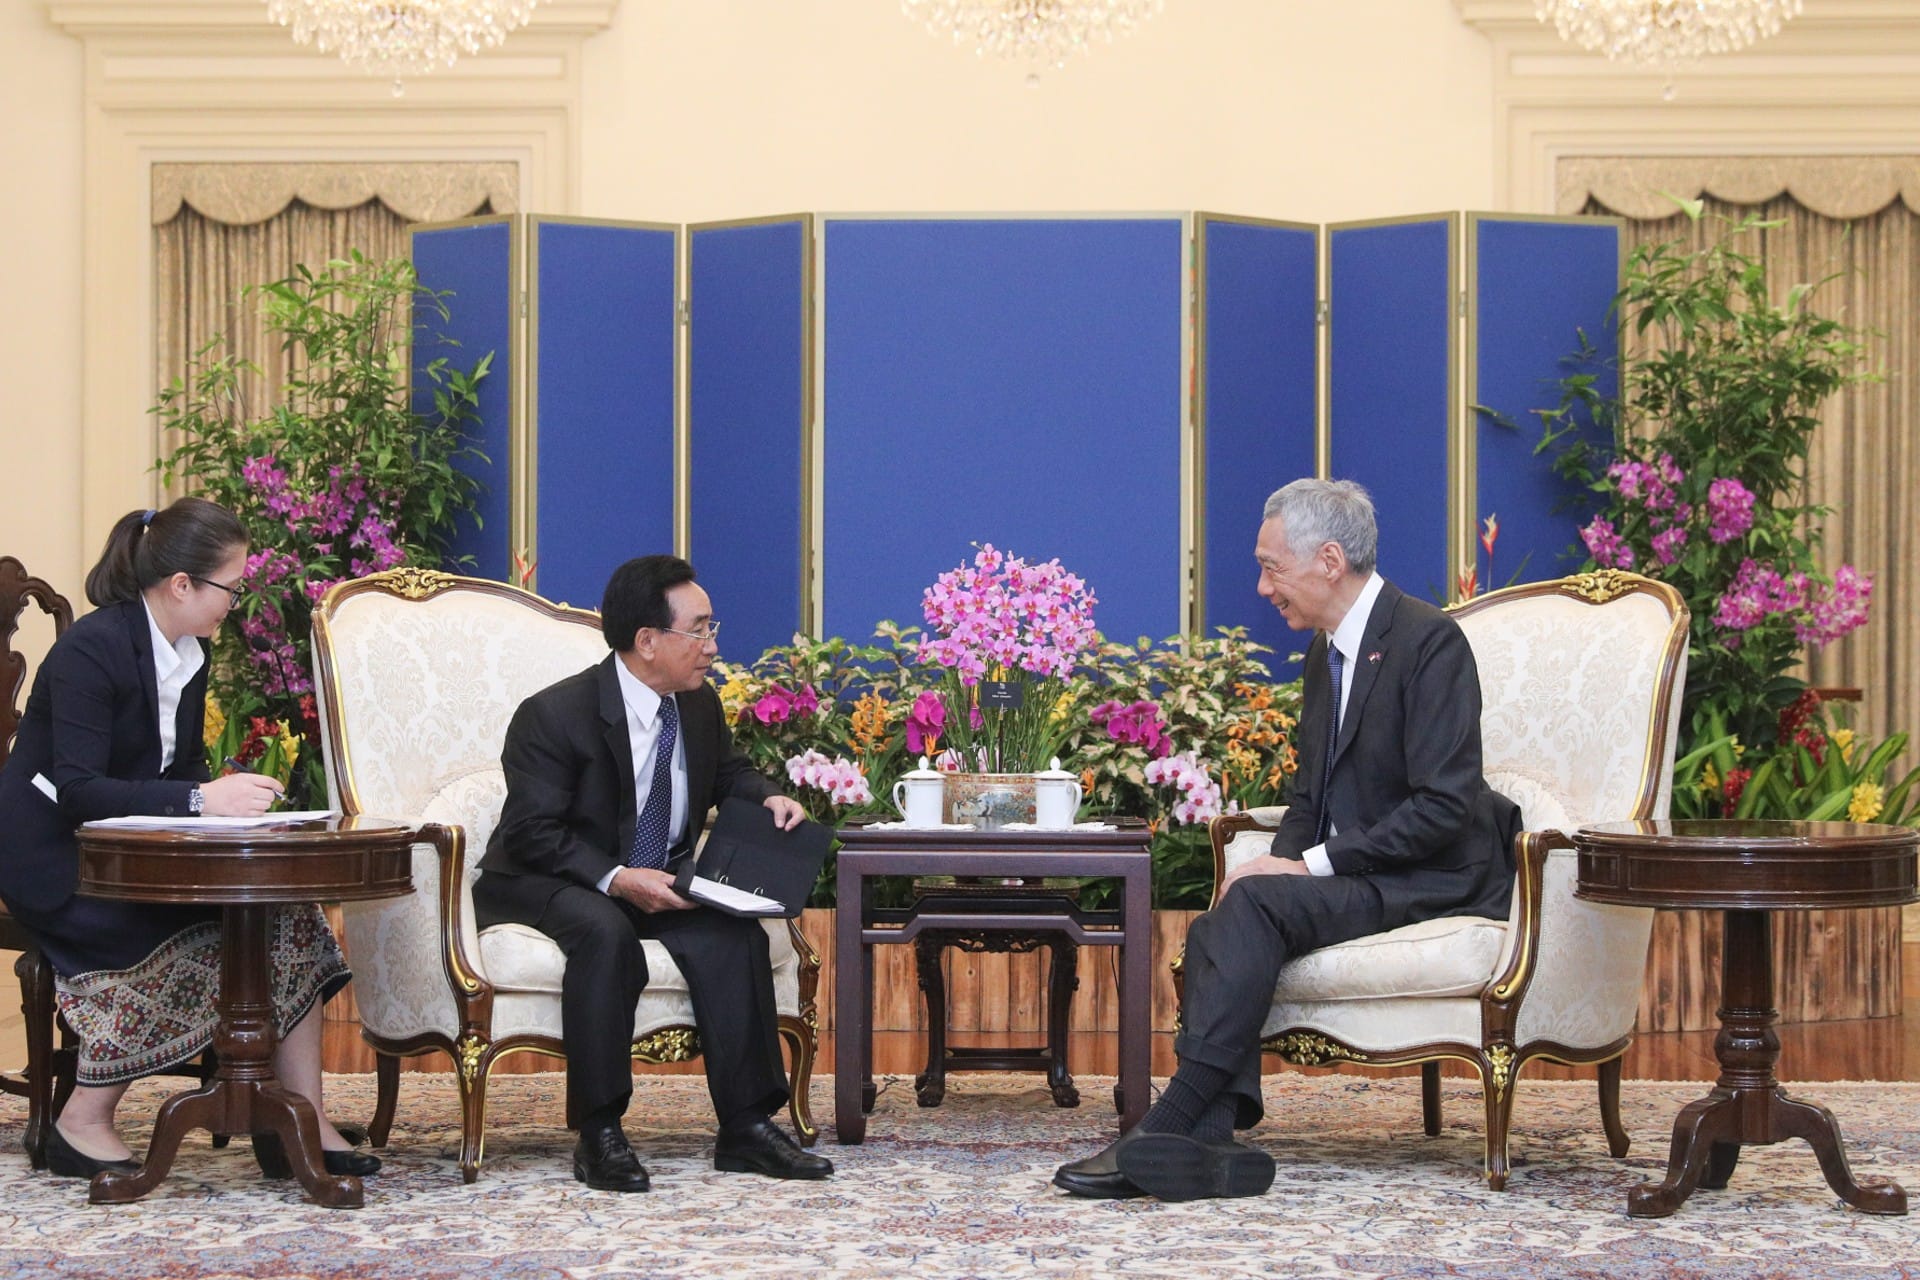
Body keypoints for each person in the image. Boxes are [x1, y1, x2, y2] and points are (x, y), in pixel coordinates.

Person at [1054, 478, 1520, 1202]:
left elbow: (1444, 807)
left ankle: (1165, 1126)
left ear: (1329, 560)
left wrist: (1310, 864)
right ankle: (1208, 1146)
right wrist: (1279, 862)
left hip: (1432, 874)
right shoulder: (1323, 655)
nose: (1263, 585)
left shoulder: (1429, 643)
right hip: (1363, 872)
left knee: (1255, 907)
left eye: (1273, 566)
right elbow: (1312, 797)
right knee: (1225, 919)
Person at [0, 498, 376, 1181]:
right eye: (230, 587)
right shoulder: (92, 649)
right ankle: (80, 1121)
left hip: (136, 860)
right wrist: (204, 801)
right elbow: (81, 788)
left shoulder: (190, 653)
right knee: (211, 949)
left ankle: (294, 1115)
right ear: (181, 585)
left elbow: (180, 770)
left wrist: (226, 802)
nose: (236, 603)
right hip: (60, 863)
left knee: (290, 921)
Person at [473, 554, 833, 1193]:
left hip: (655, 874)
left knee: (735, 935)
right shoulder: (554, 716)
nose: (713, 647)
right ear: (647, 641)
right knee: (603, 932)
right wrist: (615, 877)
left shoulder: (695, 706)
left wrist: (767, 795)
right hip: (548, 876)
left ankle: (747, 1128)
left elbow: (729, 776)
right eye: (700, 630)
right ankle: (601, 1131)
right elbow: (533, 833)